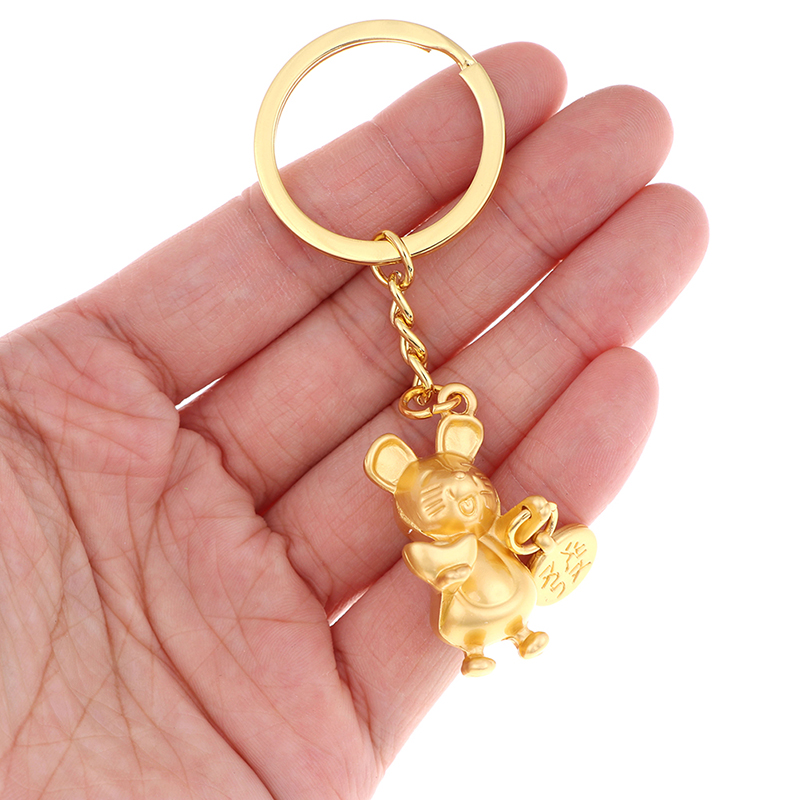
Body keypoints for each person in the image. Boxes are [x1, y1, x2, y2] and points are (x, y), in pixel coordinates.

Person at [0, 42, 707, 798]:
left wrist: (520, 529)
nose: (461, 498)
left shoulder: (471, 504)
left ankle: (517, 628)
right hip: (466, 593)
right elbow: (431, 562)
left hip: (493, 569)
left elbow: (490, 530)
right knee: (467, 619)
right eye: (445, 499)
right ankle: (481, 645)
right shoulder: (434, 541)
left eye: (461, 492)